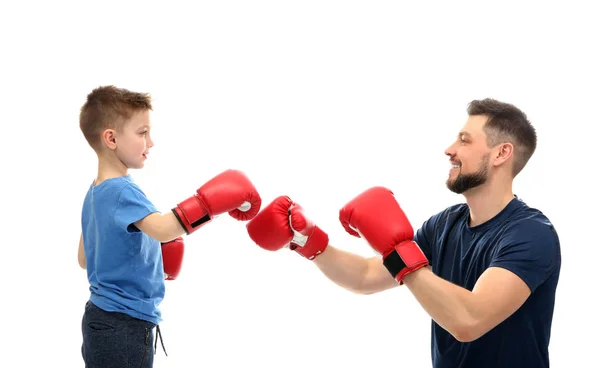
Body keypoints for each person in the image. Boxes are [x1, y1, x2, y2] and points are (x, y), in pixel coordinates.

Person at [245, 98, 561, 368]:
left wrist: (402, 256)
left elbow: (469, 320)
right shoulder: (445, 224)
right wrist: (308, 240)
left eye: (465, 140)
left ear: (501, 153)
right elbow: (367, 276)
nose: (450, 150)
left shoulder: (531, 234)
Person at [77, 85, 262, 367]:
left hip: (99, 319)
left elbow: (84, 258)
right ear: (111, 138)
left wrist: (143, 258)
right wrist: (211, 203)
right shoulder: (122, 191)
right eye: (142, 133)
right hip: (125, 324)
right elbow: (163, 229)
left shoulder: (95, 192)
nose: (150, 142)